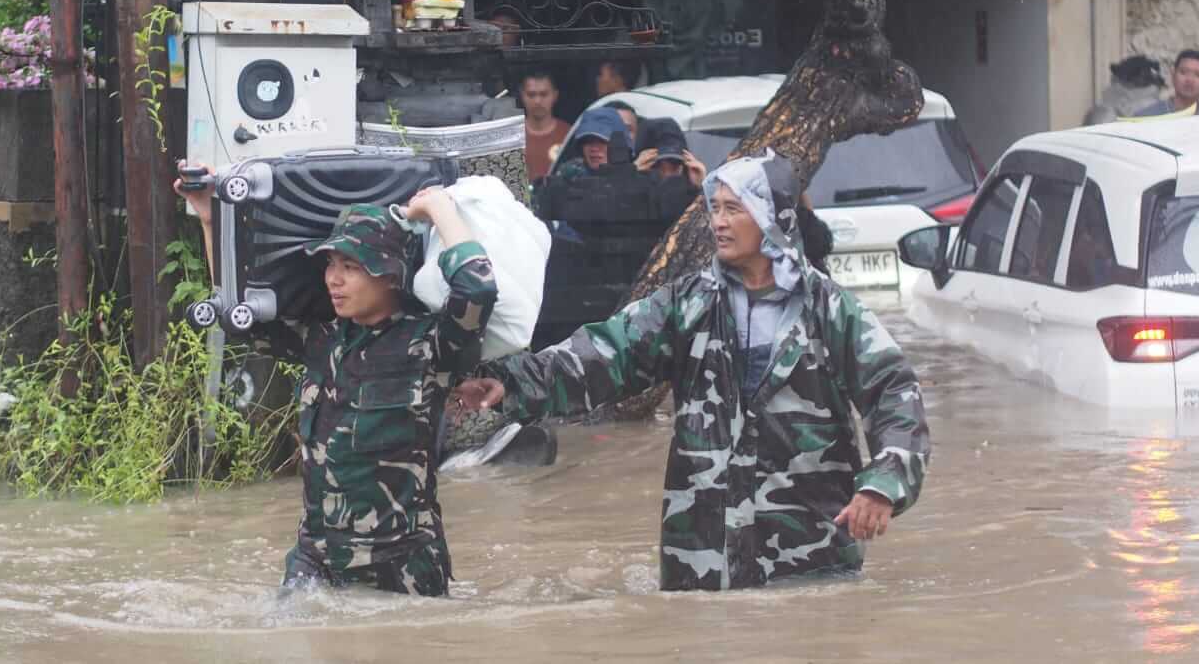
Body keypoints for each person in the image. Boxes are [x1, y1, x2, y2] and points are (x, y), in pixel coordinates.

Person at [456, 151, 930, 592]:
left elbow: (895, 395)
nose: (718, 223)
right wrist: (514, 381)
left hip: (810, 554)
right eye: (715, 208)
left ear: (774, 218)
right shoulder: (689, 304)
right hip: (704, 559)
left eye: (734, 210)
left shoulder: (832, 312)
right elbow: (606, 352)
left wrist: (883, 484)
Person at [174, 168, 497, 596]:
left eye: (350, 266)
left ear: (388, 274)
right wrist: (210, 219)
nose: (334, 279)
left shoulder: (428, 345)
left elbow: (477, 288)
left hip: (401, 567)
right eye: (330, 264)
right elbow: (238, 316)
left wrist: (438, 208)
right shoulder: (321, 339)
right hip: (316, 558)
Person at [520, 70, 571, 181]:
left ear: (555, 95)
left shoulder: (568, 134)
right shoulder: (512, 137)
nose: (538, 101)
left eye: (544, 94)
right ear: (522, 96)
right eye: (531, 95)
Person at [1133, 50, 1199, 117]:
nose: (1190, 80)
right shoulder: (1146, 117)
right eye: (1183, 72)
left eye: (1198, 75)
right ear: (1173, 75)